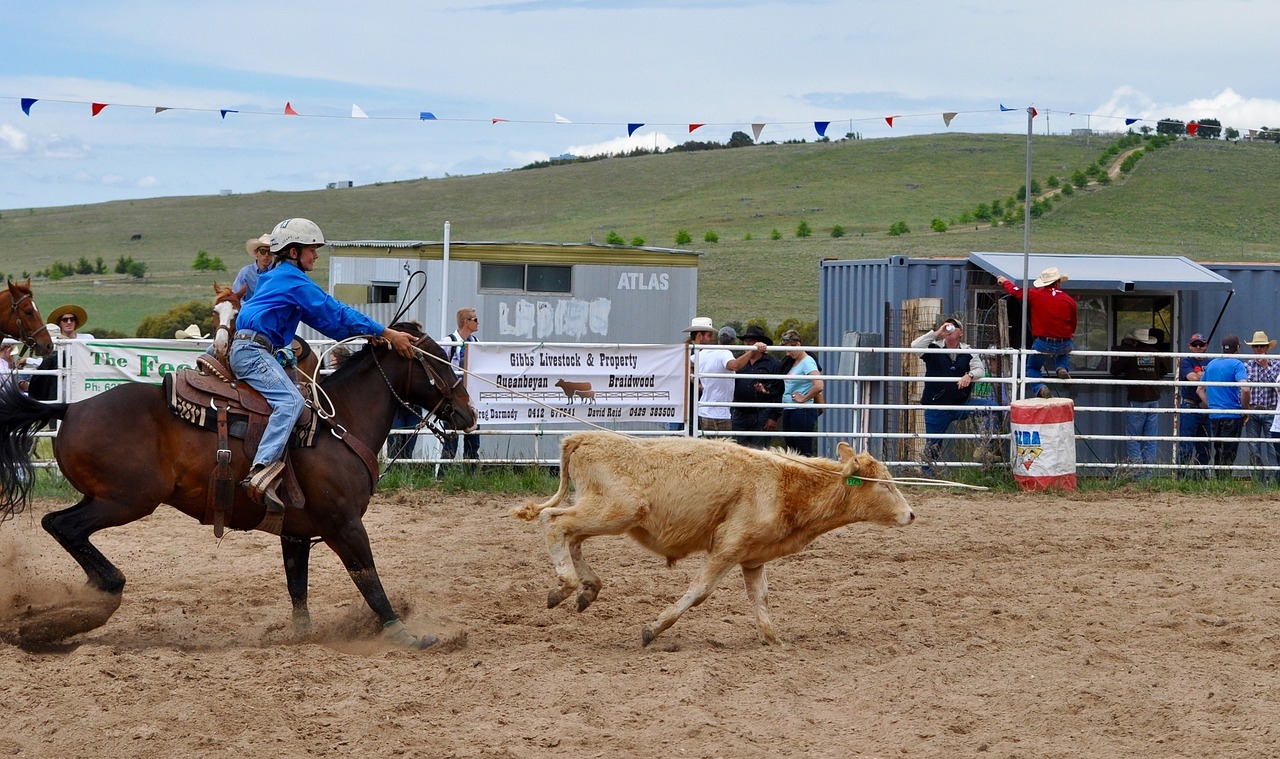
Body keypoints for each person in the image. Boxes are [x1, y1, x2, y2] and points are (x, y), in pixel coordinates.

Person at [231, 217, 417, 514]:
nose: (316, 254)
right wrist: (386, 332)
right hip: (254, 351)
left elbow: (328, 321)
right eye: (311, 249)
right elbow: (334, 311)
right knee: (291, 402)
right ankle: (261, 471)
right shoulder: (292, 280)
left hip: (254, 348)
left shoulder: (278, 278)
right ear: (293, 252)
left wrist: (371, 333)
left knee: (301, 398)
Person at [910, 317, 996, 469]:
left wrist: (969, 375)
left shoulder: (969, 351)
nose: (949, 328)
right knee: (933, 447)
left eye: (954, 326)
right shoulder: (933, 348)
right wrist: (937, 332)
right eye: (947, 325)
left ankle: (984, 448)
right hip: (936, 406)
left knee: (991, 408)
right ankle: (928, 476)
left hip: (960, 404)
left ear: (961, 332)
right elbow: (914, 346)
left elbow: (979, 370)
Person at [997, 267, 1077, 399]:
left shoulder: (1035, 294)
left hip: (1043, 342)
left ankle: (1041, 387)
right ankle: (1061, 368)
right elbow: (1073, 324)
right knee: (1065, 349)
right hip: (1063, 341)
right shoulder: (1069, 300)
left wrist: (1005, 281)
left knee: (1032, 368)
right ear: (1058, 282)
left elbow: (1015, 291)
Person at [1109, 327, 1171, 476]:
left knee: (1133, 438)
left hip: (1137, 398)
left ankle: (1136, 472)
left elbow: (1114, 370)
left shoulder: (1131, 354)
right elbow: (1166, 370)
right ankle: (1147, 475)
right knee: (1150, 439)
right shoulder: (1155, 353)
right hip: (1154, 398)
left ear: (1133, 341)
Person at [1197, 335, 1250, 480]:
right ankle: (1224, 480)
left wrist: (1211, 405)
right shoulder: (1237, 364)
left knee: (1218, 449)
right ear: (1238, 347)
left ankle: (1219, 480)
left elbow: (1199, 389)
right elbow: (1245, 389)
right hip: (1232, 414)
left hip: (1214, 415)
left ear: (1222, 348)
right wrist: (1245, 410)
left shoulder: (1212, 364)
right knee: (1229, 450)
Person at [730, 325, 783, 448]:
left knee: (759, 451)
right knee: (738, 451)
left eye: (752, 341)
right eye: (746, 341)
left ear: (760, 344)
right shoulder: (738, 362)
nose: (748, 344)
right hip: (739, 413)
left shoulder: (773, 364)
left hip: (762, 413)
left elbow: (779, 390)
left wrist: (773, 417)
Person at [440, 307, 480, 465]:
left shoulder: (475, 342)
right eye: (475, 319)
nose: (478, 323)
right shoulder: (448, 341)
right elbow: (441, 366)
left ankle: (470, 475)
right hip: (454, 397)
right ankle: (443, 475)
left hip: (471, 396)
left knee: (473, 440)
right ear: (466, 322)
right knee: (451, 439)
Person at [685, 317, 734, 435]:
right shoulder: (692, 352)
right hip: (694, 400)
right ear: (699, 336)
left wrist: (695, 380)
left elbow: (685, 366)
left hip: (702, 402)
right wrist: (695, 381)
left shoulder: (696, 352)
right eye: (709, 335)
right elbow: (684, 367)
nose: (712, 339)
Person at [778, 329, 823, 456]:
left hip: (802, 411)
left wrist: (804, 398)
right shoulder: (793, 362)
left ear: (798, 345)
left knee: (803, 449)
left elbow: (819, 385)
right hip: (789, 409)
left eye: (789, 349)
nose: (787, 353)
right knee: (792, 450)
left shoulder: (807, 362)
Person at [1243, 330, 1279, 484]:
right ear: (1253, 348)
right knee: (1253, 448)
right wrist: (1245, 410)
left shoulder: (1276, 364)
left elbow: (1277, 386)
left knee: (1273, 448)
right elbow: (1243, 388)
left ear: (1267, 347)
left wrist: (1266, 366)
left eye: (1262, 346)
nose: (1259, 349)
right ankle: (1259, 481)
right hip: (1253, 410)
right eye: (1256, 346)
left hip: (1270, 411)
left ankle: (1274, 481)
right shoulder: (1247, 365)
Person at [1177, 332, 1212, 475]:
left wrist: (1199, 376)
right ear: (1190, 347)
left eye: (1201, 344)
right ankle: (1182, 476)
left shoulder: (1211, 361)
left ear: (1206, 346)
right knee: (1186, 446)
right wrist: (1206, 375)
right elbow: (1192, 378)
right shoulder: (1186, 361)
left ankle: (1201, 477)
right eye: (1195, 345)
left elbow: (1200, 377)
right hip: (1189, 406)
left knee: (1205, 447)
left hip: (1205, 407)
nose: (1198, 347)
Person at [233, 233, 273, 301]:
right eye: (263, 251)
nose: (266, 255)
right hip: (248, 310)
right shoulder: (245, 273)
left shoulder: (278, 272)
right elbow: (236, 296)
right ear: (256, 253)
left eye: (270, 252)